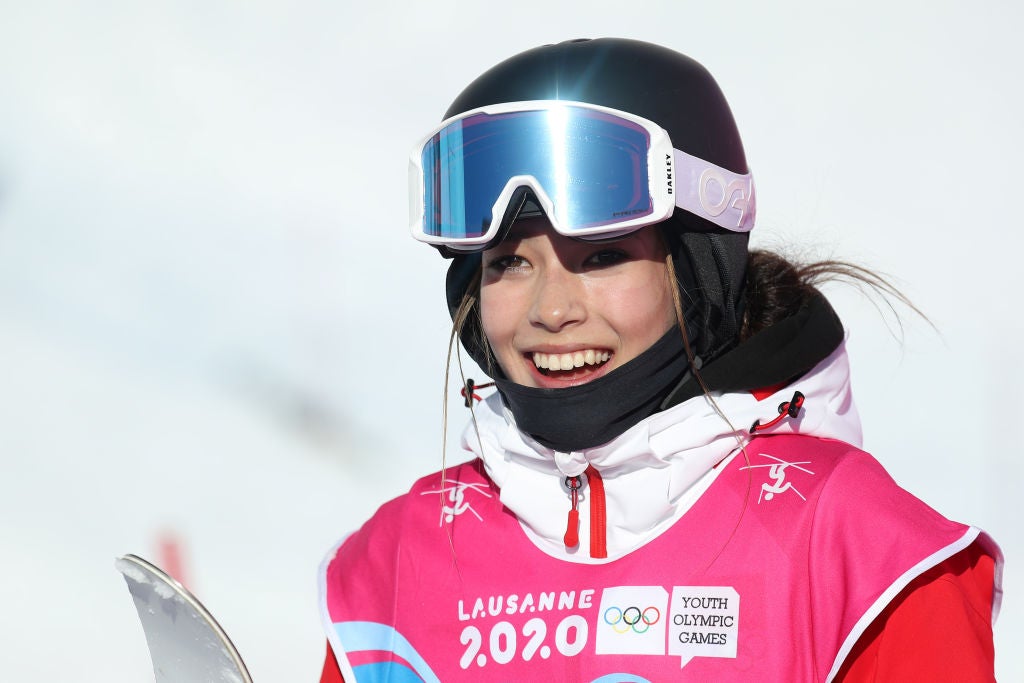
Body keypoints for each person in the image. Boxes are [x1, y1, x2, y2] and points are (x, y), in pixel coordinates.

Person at [318, 38, 1002, 681]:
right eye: (511, 263)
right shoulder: (391, 568)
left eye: (603, 256)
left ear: (697, 272)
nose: (552, 310)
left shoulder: (861, 554)